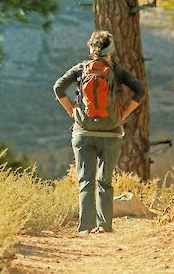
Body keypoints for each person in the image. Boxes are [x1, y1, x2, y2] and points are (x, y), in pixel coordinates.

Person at [53, 30, 146, 235]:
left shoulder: (81, 68)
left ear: (91, 49)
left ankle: (85, 228)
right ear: (111, 51)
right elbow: (140, 90)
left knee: (85, 180)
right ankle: (104, 226)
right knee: (105, 180)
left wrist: (72, 111)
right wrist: (122, 115)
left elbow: (58, 88)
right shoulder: (117, 71)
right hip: (111, 133)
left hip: (83, 133)